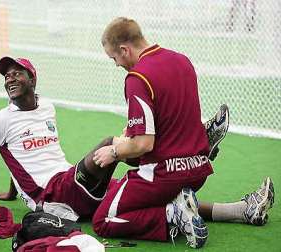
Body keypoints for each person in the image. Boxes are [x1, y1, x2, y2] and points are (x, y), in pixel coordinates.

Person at [0, 55, 227, 221]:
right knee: (111, 144)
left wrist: (11, 191)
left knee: (144, 192)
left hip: (73, 182)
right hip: (52, 196)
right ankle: (188, 149)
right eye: (6, 76)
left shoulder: (47, 107)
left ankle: (237, 211)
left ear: (33, 80)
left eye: (17, 73)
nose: (10, 79)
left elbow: (21, 152)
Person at [91, 17, 274, 249]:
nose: (116, 64)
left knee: (103, 220)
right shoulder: (182, 60)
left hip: (163, 176)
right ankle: (241, 209)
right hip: (196, 170)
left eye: (114, 58)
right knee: (171, 196)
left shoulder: (137, 78)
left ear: (125, 50)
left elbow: (144, 144)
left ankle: (172, 215)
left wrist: (114, 152)